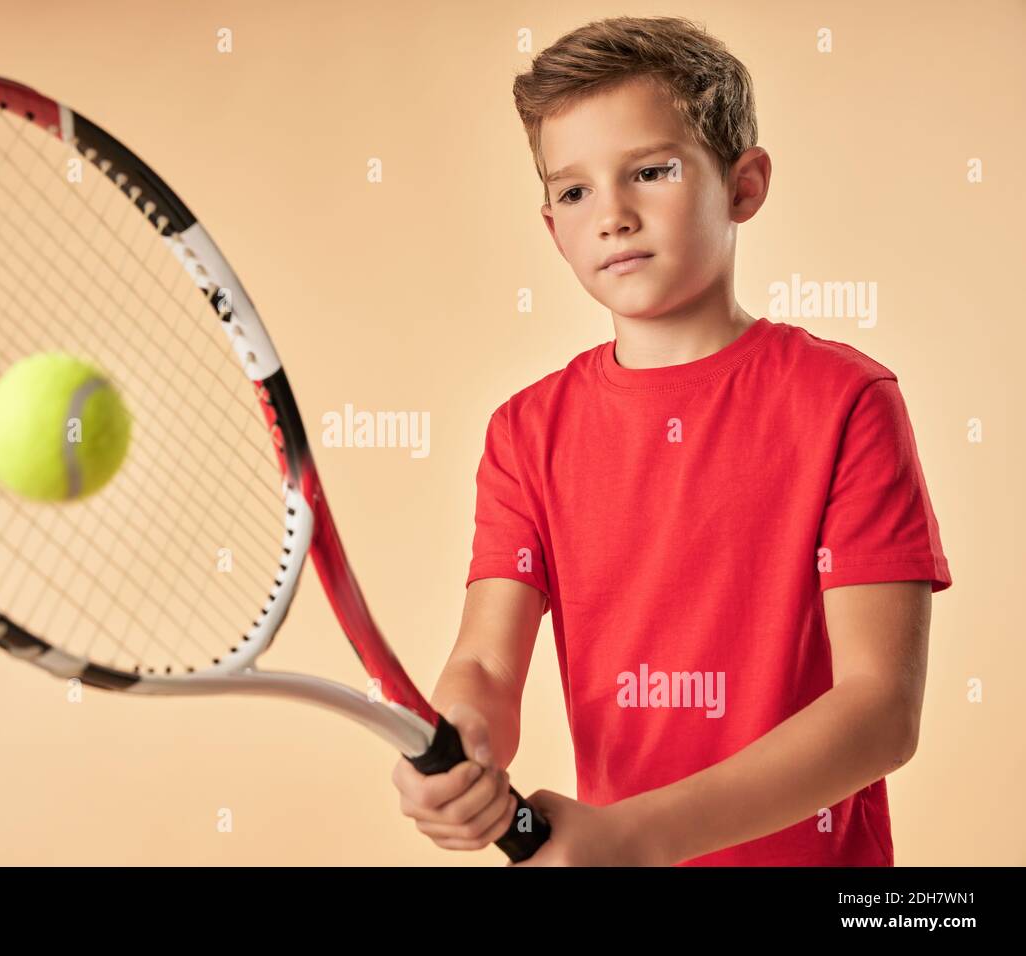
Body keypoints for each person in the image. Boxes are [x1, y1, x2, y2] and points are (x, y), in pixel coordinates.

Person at [392, 15, 951, 866]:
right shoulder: (524, 432)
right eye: (575, 192)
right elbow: (486, 665)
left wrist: (639, 836)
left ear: (744, 185)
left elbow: (879, 711)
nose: (612, 215)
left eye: (651, 171)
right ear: (553, 229)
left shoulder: (846, 402)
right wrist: (460, 738)